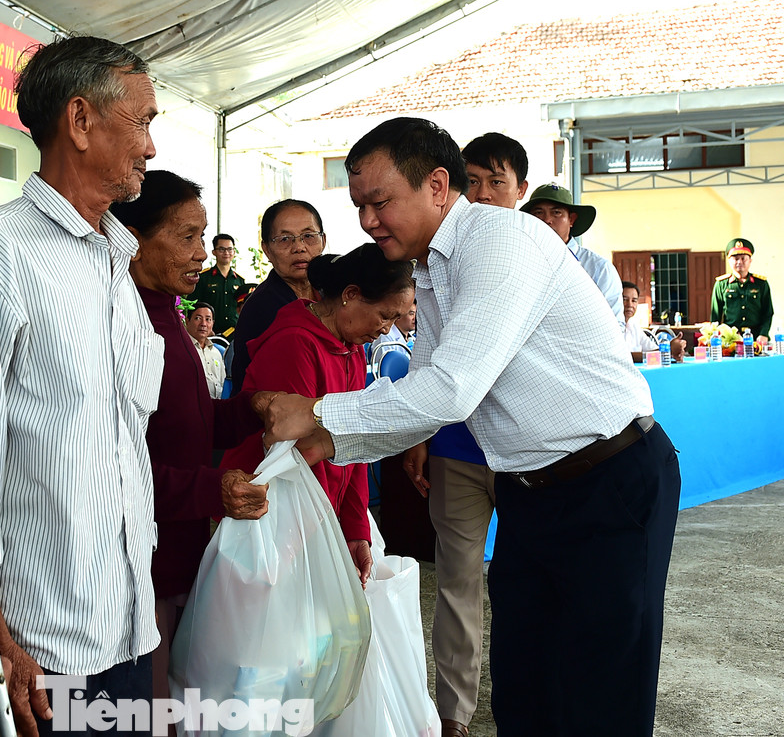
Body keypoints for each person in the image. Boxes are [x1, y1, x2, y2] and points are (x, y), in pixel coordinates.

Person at [260, 117, 680, 737]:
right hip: (529, 490)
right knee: (524, 684)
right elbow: (423, 394)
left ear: (435, 184)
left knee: (602, 687)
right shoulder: (433, 271)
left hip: (607, 480)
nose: (368, 222)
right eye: (359, 207)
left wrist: (323, 414)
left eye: (381, 203)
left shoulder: (500, 242)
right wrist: (327, 440)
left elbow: (452, 389)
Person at [0, 35, 162, 736]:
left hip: (129, 624)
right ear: (80, 120)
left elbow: (125, 436)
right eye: (143, 121)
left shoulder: (116, 262)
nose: (151, 148)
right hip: (41, 643)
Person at [108, 170, 270, 705]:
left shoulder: (169, 315)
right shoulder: (125, 324)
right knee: (147, 708)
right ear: (132, 238)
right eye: (187, 237)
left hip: (178, 549)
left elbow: (191, 424)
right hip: (140, 566)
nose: (202, 252)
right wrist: (211, 490)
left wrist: (252, 410)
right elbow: (115, 468)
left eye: (203, 236)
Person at [410, 129, 535, 737]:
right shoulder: (433, 262)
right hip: (457, 448)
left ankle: (521, 697)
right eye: (473, 181)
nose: (482, 194)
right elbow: (430, 362)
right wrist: (419, 436)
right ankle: (453, 711)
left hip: (526, 457)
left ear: (522, 190)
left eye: (497, 182)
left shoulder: (542, 255)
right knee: (458, 580)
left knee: (521, 580)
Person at [223, 243, 415, 588]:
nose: (387, 329)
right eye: (385, 315)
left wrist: (356, 531)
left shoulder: (354, 351)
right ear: (351, 295)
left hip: (320, 520)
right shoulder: (295, 344)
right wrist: (328, 541)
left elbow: (354, 446)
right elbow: (297, 457)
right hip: (283, 522)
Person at [229, 199, 326, 393]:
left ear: (323, 241)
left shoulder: (330, 294)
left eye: (308, 236)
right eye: (284, 239)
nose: (299, 247)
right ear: (266, 250)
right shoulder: (265, 308)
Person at [521, 184, 624, 325]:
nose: (547, 220)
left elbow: (615, 326)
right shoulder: (520, 261)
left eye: (556, 212)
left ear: (572, 219)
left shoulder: (598, 268)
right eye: (538, 213)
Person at [711, 237, 774, 345]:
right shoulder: (721, 284)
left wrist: (764, 334)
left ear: (750, 260)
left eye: (743, 258)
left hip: (757, 338)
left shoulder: (761, 284)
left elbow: (768, 312)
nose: (739, 262)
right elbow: (715, 316)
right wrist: (716, 337)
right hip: (730, 339)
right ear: (729, 261)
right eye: (735, 258)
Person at [189, 233, 245, 336]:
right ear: (214, 252)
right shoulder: (203, 278)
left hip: (233, 334)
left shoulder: (239, 281)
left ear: (234, 252)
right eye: (221, 249)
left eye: (229, 249)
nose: (226, 253)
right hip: (208, 333)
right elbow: (193, 306)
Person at [184, 301, 226, 398]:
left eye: (208, 319)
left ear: (212, 324)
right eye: (198, 318)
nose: (203, 324)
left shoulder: (216, 352)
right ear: (187, 321)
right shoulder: (182, 348)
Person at [623, 281, 659, 357]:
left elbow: (653, 350)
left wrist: (668, 350)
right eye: (625, 299)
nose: (630, 304)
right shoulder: (610, 325)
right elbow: (623, 357)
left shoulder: (634, 325)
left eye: (634, 301)